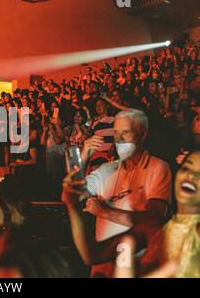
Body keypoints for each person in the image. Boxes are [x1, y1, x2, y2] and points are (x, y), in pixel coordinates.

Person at [62, 149, 200, 278]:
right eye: (186, 168)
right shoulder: (153, 227)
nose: (190, 175)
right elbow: (92, 254)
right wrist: (72, 206)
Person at [72, 109, 172, 277]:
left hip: (135, 267)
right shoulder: (106, 169)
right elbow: (71, 195)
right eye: (116, 133)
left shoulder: (158, 167)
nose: (118, 139)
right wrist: (82, 157)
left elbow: (154, 220)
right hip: (102, 268)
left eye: (125, 133)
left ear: (142, 133)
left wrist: (105, 212)